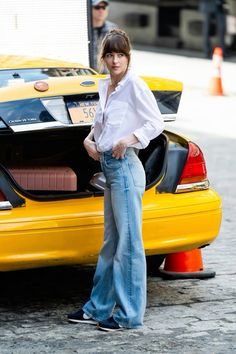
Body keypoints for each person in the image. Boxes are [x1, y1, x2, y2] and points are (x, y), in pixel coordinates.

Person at [68, 29, 164, 332]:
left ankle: (129, 315)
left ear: (128, 56)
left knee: (129, 245)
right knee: (110, 243)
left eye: (119, 54)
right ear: (104, 57)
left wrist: (129, 139)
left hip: (125, 168)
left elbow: (156, 122)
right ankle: (98, 307)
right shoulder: (107, 86)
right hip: (109, 169)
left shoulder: (134, 85)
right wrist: (88, 139)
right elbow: (101, 124)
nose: (114, 60)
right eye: (109, 54)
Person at [91, 0, 118, 72]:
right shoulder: (84, 29)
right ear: (90, 9)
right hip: (88, 75)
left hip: (108, 76)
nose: (101, 10)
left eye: (103, 7)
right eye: (97, 7)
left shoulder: (114, 29)